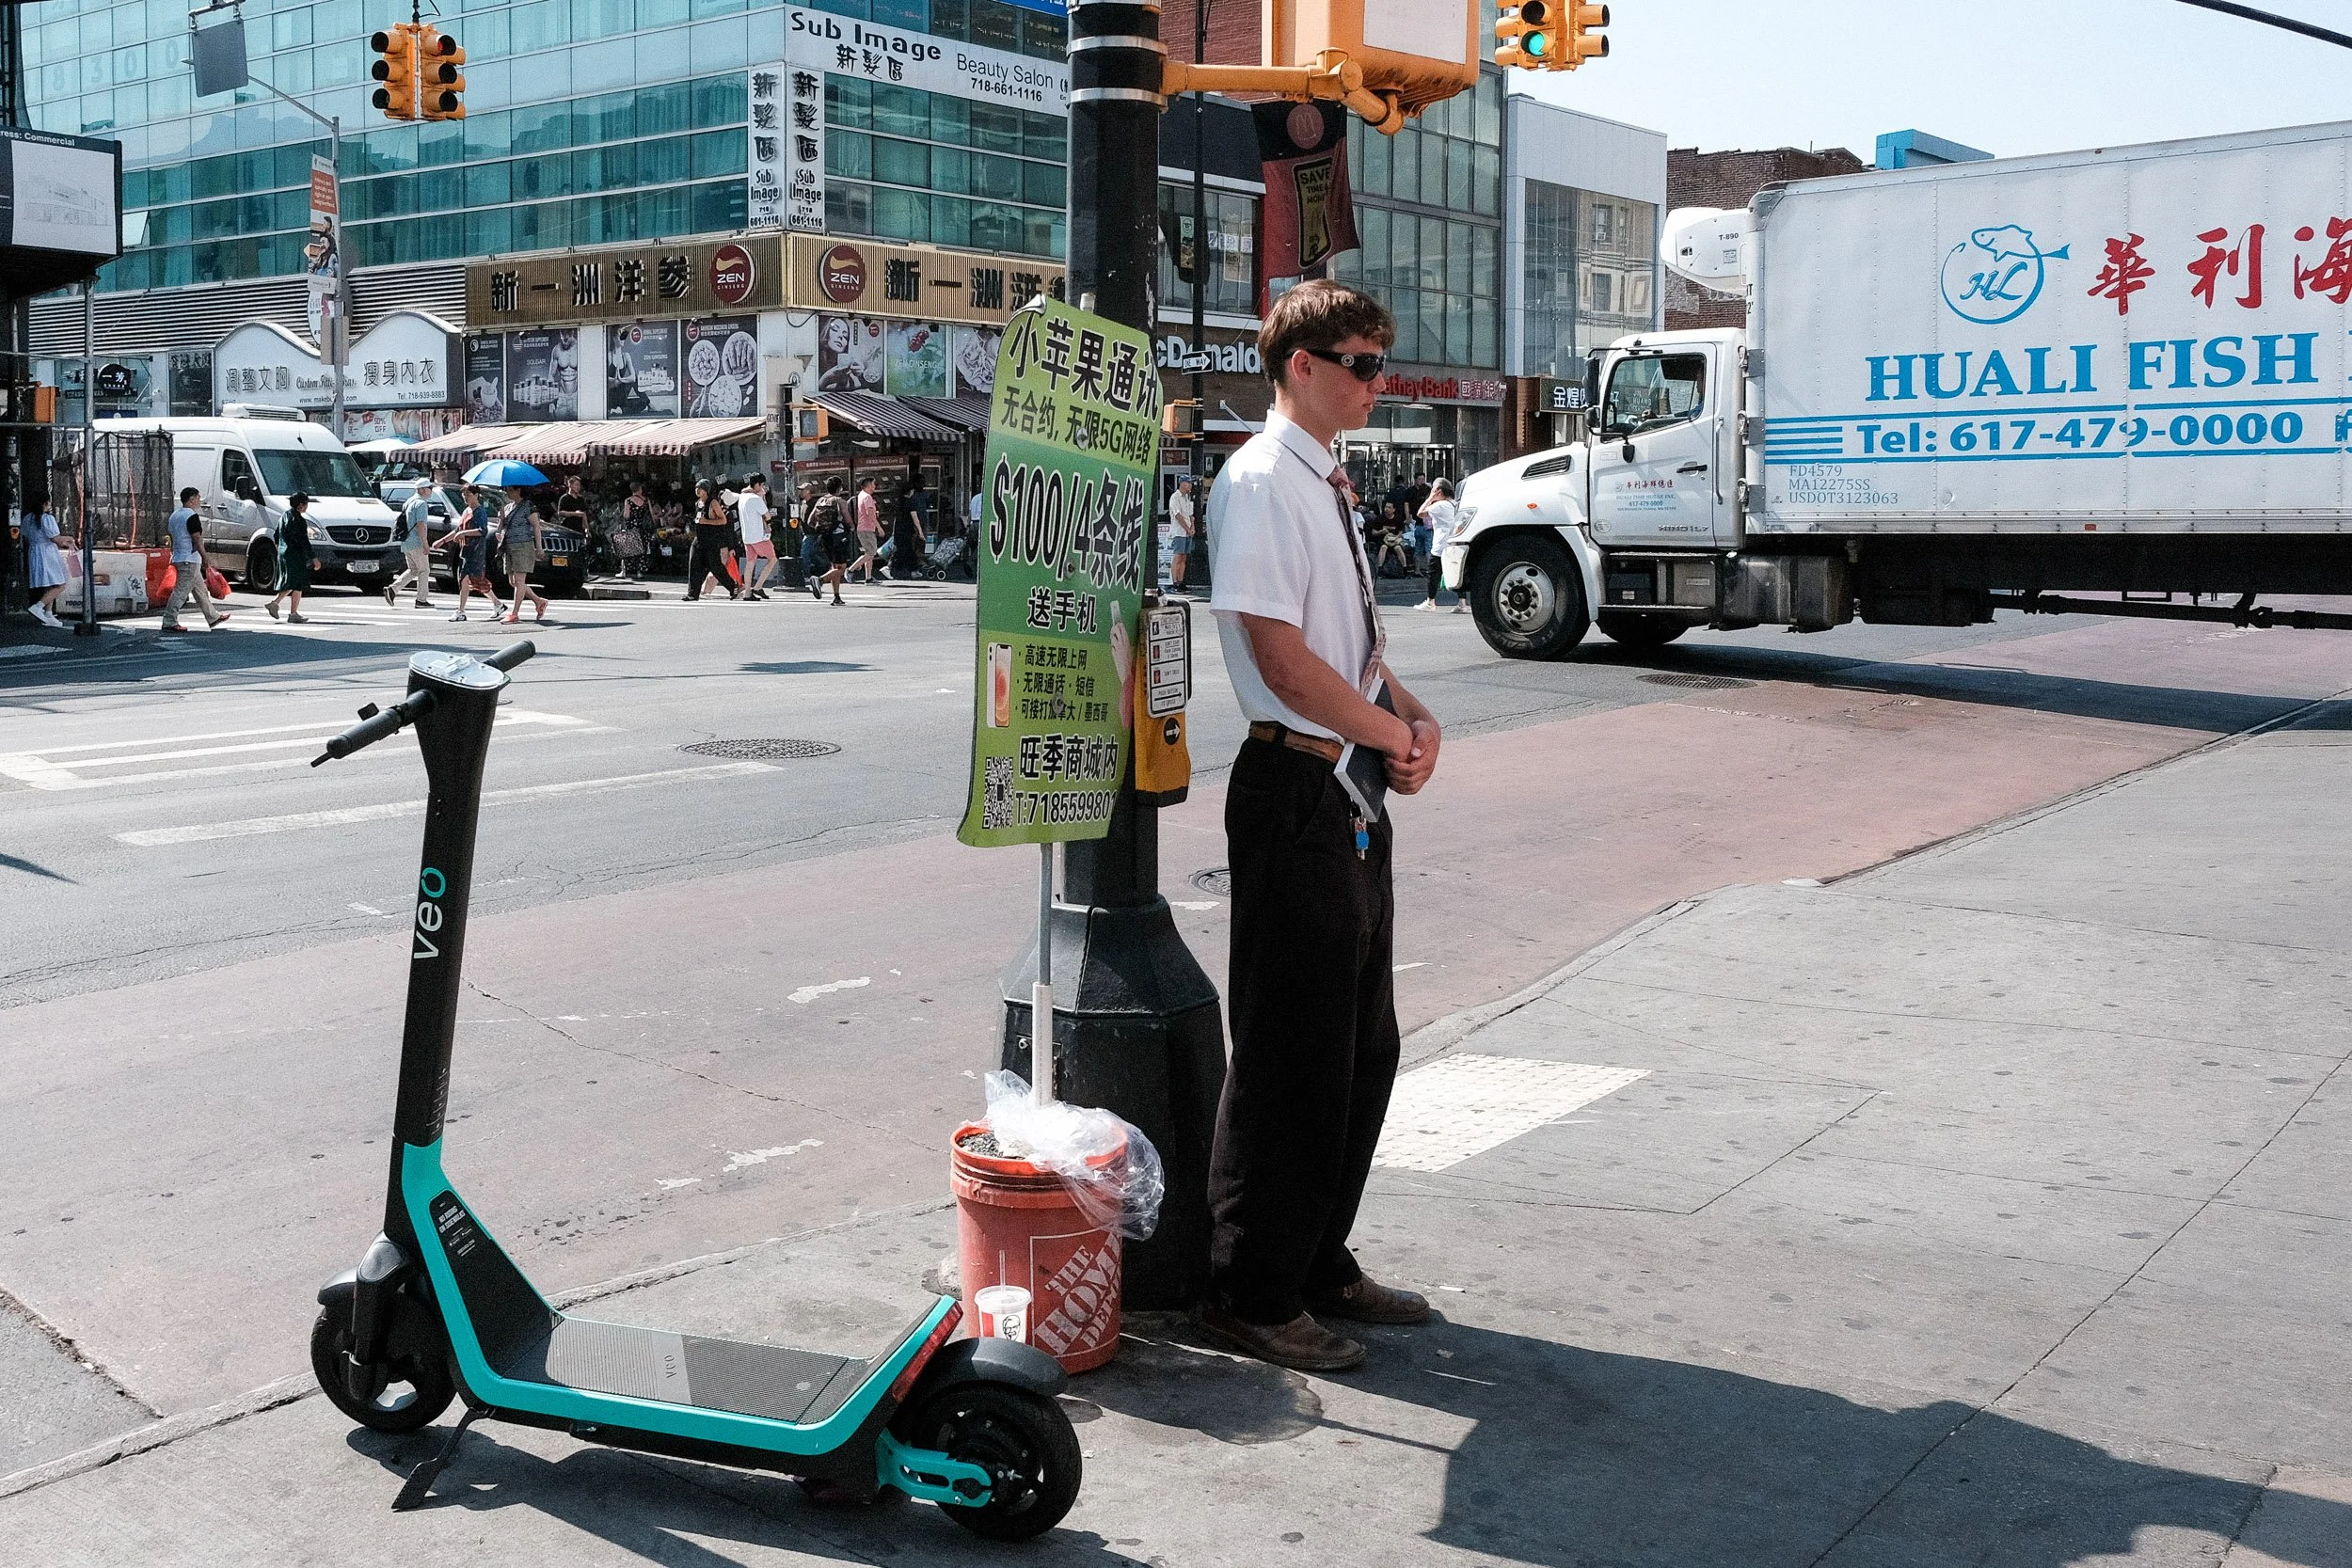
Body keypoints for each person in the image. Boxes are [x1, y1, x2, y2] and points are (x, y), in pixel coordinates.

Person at [1199, 278, 1443, 1374]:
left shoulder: (1326, 483)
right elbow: (1283, 656)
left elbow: (1348, 645)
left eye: (1380, 364)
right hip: (1297, 784)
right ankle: (1255, 1284)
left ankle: (1316, 1255)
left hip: (1347, 786)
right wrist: (1383, 735)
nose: (1374, 383)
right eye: (1361, 363)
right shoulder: (1258, 480)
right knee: (1293, 1053)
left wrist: (1409, 714)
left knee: (1360, 1048)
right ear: (1301, 364)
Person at [161, 485, 230, 632]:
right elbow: (197, 538)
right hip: (189, 559)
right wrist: (206, 558)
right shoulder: (191, 516)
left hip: (180, 556)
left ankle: (213, 617)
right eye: (198, 498)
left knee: (200, 590)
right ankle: (169, 621)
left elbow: (173, 537)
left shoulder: (175, 515)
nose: (200, 501)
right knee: (181, 592)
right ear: (191, 499)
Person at [445, 483, 503, 622]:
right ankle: (497, 604)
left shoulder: (480, 511)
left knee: (469, 579)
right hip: (466, 550)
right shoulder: (466, 511)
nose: (466, 498)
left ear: (476, 495)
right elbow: (458, 530)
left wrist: (464, 533)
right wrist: (442, 541)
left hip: (476, 551)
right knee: (470, 580)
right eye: (464, 495)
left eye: (468, 495)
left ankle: (461, 611)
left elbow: (482, 531)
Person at [498, 487, 550, 626]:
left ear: (518, 490)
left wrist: (539, 548)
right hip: (509, 546)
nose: (507, 492)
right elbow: (501, 529)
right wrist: (501, 519)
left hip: (523, 546)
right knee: (513, 581)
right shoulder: (508, 507)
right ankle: (539, 601)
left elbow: (536, 527)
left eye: (510, 489)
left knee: (519, 581)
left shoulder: (528, 506)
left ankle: (514, 613)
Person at [385, 478, 437, 609]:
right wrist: (425, 544)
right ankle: (421, 600)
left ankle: (393, 589)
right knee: (424, 570)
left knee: (414, 570)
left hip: (406, 541)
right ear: (422, 490)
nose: (430, 491)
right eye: (429, 488)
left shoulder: (409, 502)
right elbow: (421, 525)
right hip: (417, 542)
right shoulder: (421, 504)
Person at [685, 479, 739, 602]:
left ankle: (732, 586)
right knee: (694, 566)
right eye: (696, 488)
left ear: (706, 490)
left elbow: (723, 520)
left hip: (711, 541)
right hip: (699, 540)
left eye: (700, 488)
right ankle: (692, 594)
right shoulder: (698, 503)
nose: (697, 490)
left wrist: (707, 522)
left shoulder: (713, 503)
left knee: (716, 568)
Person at [265, 492, 315, 624]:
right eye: (306, 504)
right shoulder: (298, 520)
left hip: (283, 552)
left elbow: (276, 535)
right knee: (294, 581)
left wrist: (279, 548)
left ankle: (293, 613)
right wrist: (313, 558)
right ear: (301, 505)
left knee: (297, 584)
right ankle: (274, 603)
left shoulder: (284, 516)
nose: (306, 507)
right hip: (295, 555)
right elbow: (303, 540)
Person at [23, 495, 69, 628]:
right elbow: (56, 538)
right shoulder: (47, 519)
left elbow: (27, 536)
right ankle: (39, 606)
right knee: (60, 584)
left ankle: (48, 613)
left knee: (50, 584)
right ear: (44, 503)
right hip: (48, 553)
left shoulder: (28, 519)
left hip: (35, 552)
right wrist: (69, 539)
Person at [1416, 479, 1462, 612]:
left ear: (1439, 492)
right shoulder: (1456, 504)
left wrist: (1430, 498)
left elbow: (1421, 513)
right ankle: (1462, 603)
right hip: (1454, 543)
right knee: (1456, 573)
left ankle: (1430, 602)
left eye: (1433, 490)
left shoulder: (1440, 505)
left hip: (1440, 545)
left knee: (1433, 574)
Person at [805, 477, 851, 606]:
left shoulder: (820, 500)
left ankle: (836, 597)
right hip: (838, 537)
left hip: (825, 537)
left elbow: (810, 521)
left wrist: (822, 529)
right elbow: (847, 518)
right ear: (839, 488)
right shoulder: (840, 501)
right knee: (841, 569)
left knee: (834, 566)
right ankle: (819, 580)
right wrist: (852, 527)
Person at [737, 473, 775, 599]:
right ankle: (758, 587)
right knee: (772, 559)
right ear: (757, 484)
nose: (763, 487)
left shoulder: (742, 497)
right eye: (762, 485)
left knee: (750, 562)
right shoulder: (756, 498)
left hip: (747, 536)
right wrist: (762, 497)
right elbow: (767, 515)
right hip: (758, 536)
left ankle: (747, 592)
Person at [612, 480, 653, 581]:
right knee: (641, 549)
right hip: (643, 528)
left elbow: (626, 515)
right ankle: (639, 572)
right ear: (640, 489)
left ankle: (624, 571)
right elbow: (651, 514)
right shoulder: (646, 500)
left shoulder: (628, 501)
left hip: (632, 528)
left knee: (628, 549)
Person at [1167, 476, 1197, 590]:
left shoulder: (1187, 498)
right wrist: (1187, 528)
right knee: (1178, 556)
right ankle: (1175, 582)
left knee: (1184, 557)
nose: (1190, 485)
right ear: (1182, 484)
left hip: (1187, 532)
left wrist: (1192, 527)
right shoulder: (1175, 497)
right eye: (1188, 483)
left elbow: (1190, 515)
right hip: (1179, 531)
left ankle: (1181, 580)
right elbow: (1178, 515)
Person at [851, 475, 882, 584]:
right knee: (871, 552)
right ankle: (851, 570)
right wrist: (879, 527)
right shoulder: (868, 497)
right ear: (869, 485)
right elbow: (870, 514)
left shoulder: (861, 495)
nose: (875, 486)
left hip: (863, 528)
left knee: (869, 553)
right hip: (867, 529)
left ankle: (868, 578)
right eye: (874, 484)